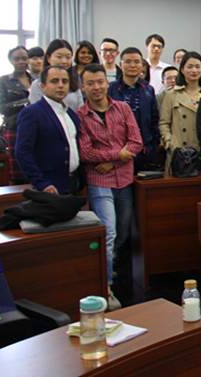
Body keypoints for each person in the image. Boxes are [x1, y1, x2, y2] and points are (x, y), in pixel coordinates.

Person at [77, 64, 143, 310]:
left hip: (124, 179)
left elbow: (136, 142)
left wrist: (112, 161)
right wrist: (119, 154)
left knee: (123, 233)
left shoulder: (123, 108)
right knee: (109, 233)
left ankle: (108, 268)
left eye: (100, 82)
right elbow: (86, 152)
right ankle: (106, 287)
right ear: (83, 87)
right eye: (90, 83)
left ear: (107, 83)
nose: (96, 87)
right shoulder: (80, 115)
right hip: (98, 181)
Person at [15, 65, 81, 194]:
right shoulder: (32, 113)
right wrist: (41, 182)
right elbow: (22, 152)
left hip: (73, 184)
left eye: (65, 81)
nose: (61, 85)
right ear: (42, 86)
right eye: (54, 81)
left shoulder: (71, 114)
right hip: (49, 187)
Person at [159, 51, 201, 171]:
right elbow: (164, 123)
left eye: (197, 67)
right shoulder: (171, 94)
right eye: (190, 67)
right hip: (179, 152)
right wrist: (169, 142)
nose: (194, 70)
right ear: (182, 70)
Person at [108, 47, 160, 171]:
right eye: (128, 62)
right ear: (121, 65)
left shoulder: (148, 89)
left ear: (142, 65)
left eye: (136, 62)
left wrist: (153, 146)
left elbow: (154, 119)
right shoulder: (111, 89)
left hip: (144, 150)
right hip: (119, 151)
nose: (132, 65)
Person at [0, 46, 32, 183]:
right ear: (11, 61)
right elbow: (3, 108)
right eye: (17, 59)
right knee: (17, 172)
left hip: (36, 127)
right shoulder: (3, 81)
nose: (21, 62)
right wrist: (28, 102)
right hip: (14, 127)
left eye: (24, 58)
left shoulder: (37, 79)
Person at [28, 39, 84, 111]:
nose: (64, 61)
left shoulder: (74, 81)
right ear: (48, 58)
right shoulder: (38, 84)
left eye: (68, 57)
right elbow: (37, 111)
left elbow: (81, 109)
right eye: (59, 57)